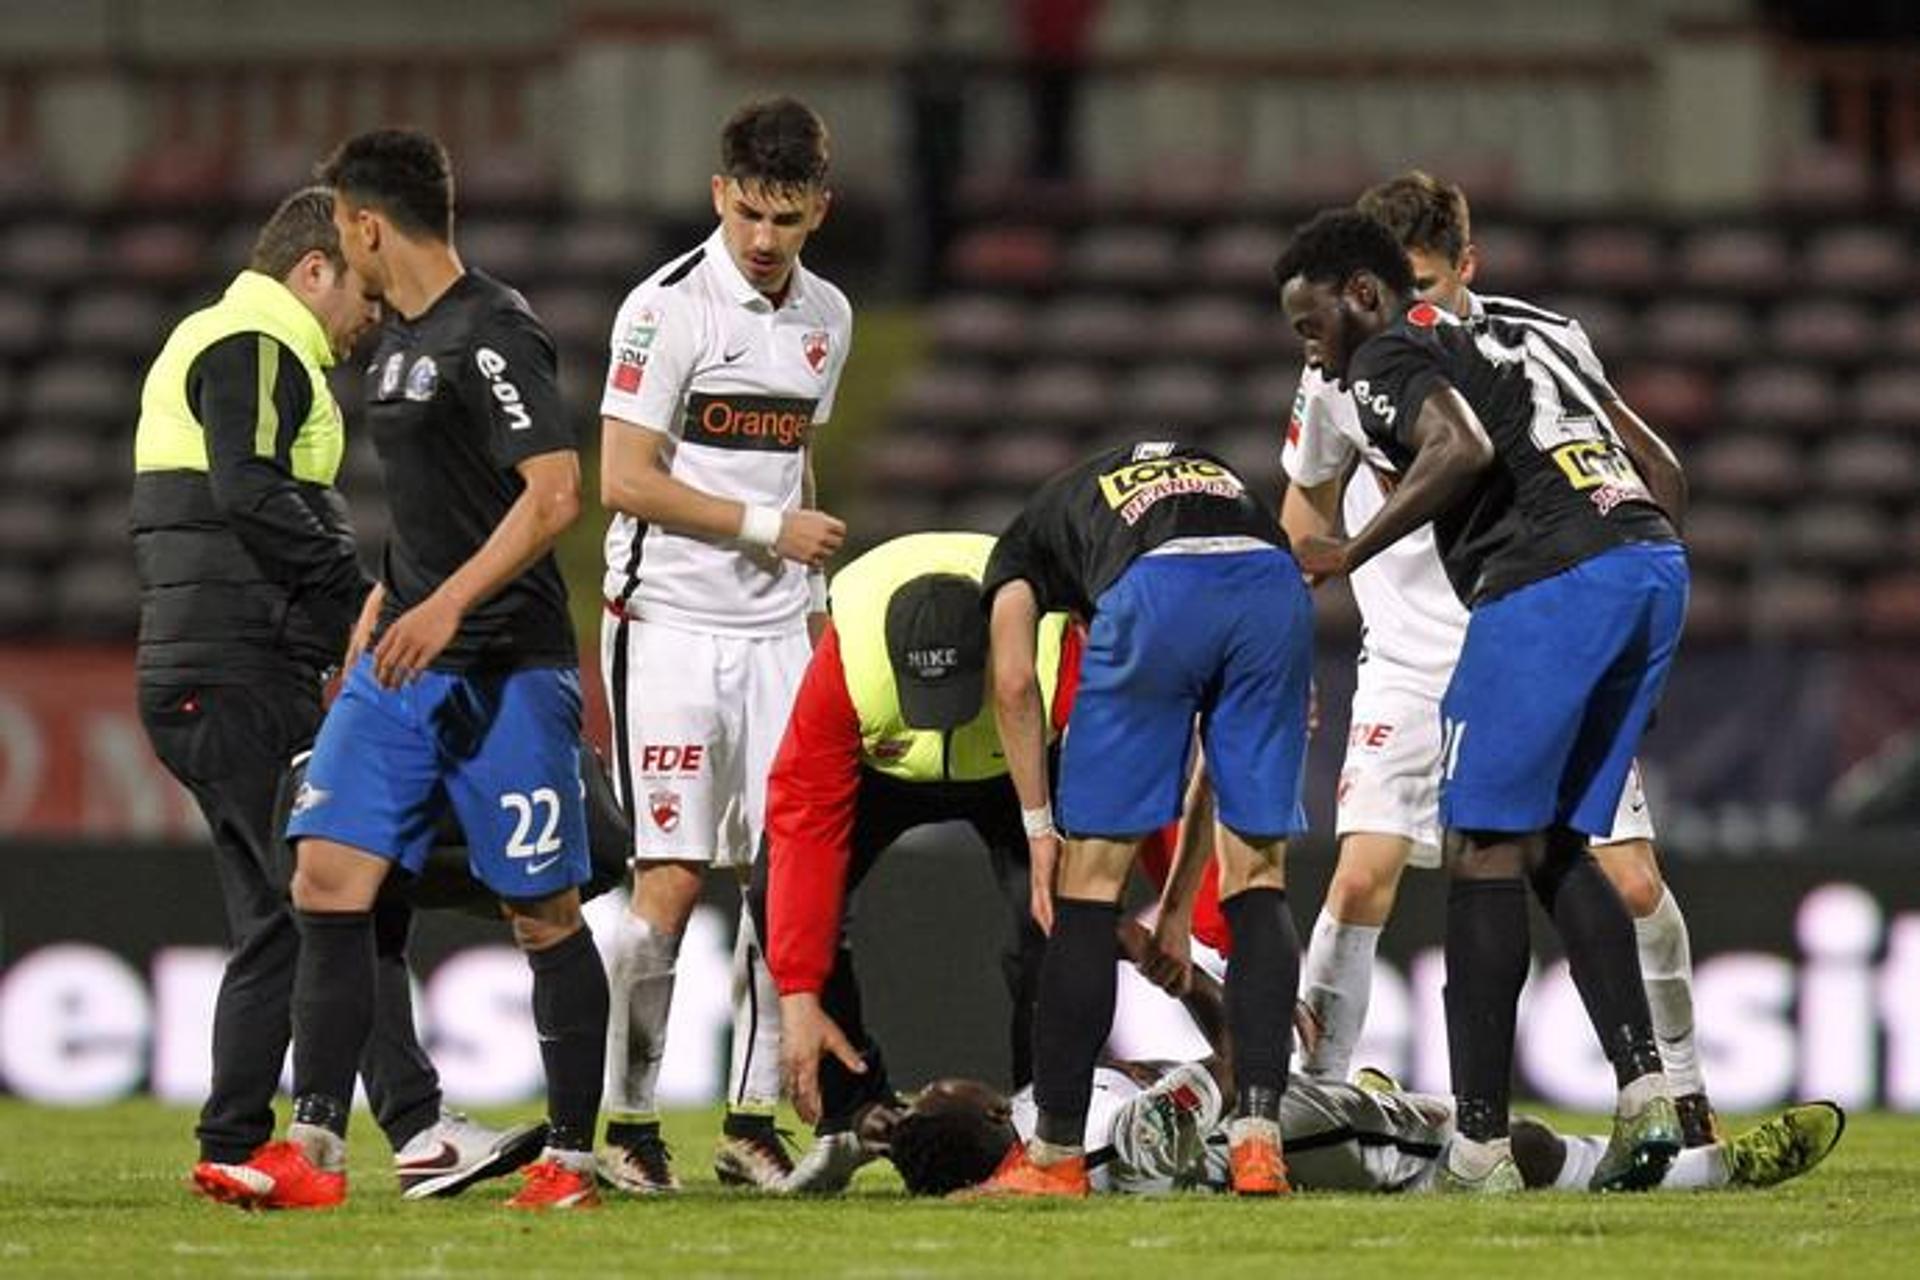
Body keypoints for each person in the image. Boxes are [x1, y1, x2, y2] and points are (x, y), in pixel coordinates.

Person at [193, 129, 607, 1211]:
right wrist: (379, 615)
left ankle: (572, 1156)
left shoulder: (496, 331)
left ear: (367, 224)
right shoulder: (394, 346)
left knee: (543, 911)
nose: (336, 242)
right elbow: (427, 516)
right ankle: (315, 1150)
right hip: (399, 660)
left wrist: (450, 602)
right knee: (325, 875)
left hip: (504, 665)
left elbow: (555, 494)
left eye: (337, 223)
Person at [1280, 171, 1720, 1146]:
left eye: (1429, 280)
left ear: (1467, 266)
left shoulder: (1534, 334)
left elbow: (1523, 456)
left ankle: (1676, 1095)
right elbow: (1305, 506)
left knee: (1622, 871)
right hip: (1414, 646)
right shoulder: (1338, 371)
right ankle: (1309, 1093)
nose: (1414, 300)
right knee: (1364, 875)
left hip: (1534, 613)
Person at [133, 187, 539, 1204]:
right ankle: (412, 1127)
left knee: (288, 910)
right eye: (362, 290)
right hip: (239, 671)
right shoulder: (253, 340)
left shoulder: (219, 339)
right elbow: (249, 489)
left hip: (210, 669)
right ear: (312, 270)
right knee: (332, 896)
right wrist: (355, 600)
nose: (374, 316)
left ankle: (239, 1138)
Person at [595, 96, 853, 1193]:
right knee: (671, 878)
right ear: (719, 195)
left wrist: (815, 588)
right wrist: (766, 531)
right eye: (748, 212)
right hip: (669, 625)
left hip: (777, 630)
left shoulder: (827, 317)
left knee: (782, 878)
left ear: (817, 213)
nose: (762, 239)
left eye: (785, 220)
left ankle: (751, 1122)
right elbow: (622, 477)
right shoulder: (664, 311)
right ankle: (623, 1120)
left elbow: (792, 463)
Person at [974, 440, 1314, 1197]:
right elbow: (1213, 772)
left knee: (1090, 887)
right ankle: (1259, 1144)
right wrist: (1178, 911)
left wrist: (1038, 833)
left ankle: (1055, 1155)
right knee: (1257, 872)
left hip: (1155, 589)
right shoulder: (1210, 476)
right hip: (1273, 584)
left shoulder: (1023, 542)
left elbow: (1012, 680)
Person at [886, 937, 1843, 1198]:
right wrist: (1203, 991)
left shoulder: (1039, 1121)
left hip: (1286, 1110)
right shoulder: (1095, 1144)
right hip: (1315, 1137)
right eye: (939, 1096)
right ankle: (1710, 1171)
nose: (946, 1079)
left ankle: (1672, 1167)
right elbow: (1225, 1072)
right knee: (1509, 1143)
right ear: (972, 1125)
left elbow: (1164, 1067)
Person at [758, 531, 1069, 1192]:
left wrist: (1181, 913)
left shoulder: (1053, 653)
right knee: (773, 895)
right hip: (884, 776)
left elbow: (1130, 787)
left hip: (1021, 769)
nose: (940, 722)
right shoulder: (848, 663)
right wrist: (798, 993)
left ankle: (1050, 1125)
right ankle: (853, 1112)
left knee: (1056, 922)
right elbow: (802, 824)